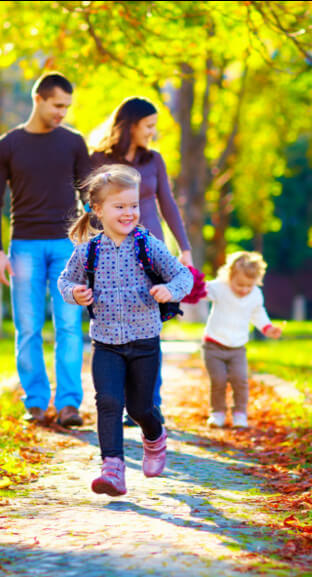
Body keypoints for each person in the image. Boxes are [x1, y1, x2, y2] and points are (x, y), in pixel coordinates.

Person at [58, 165, 193, 496]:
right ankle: (113, 468)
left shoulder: (148, 245)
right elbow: (65, 280)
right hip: (106, 343)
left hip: (144, 341)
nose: (129, 212)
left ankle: (154, 435)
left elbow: (183, 276)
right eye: (120, 206)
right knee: (107, 401)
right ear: (98, 210)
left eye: (133, 205)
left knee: (140, 408)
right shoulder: (87, 251)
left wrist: (170, 291)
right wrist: (75, 293)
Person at [0, 72, 90, 428]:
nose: (63, 113)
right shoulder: (7, 145)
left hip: (67, 248)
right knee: (27, 327)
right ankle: (37, 402)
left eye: (67, 107)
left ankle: (70, 404)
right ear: (39, 99)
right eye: (58, 105)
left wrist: (91, 242)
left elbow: (88, 195)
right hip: (23, 247)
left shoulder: (73, 143)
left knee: (70, 326)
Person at [89, 97, 194, 425]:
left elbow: (168, 203)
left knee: (149, 331)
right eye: (148, 125)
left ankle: (149, 405)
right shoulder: (100, 160)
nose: (153, 132)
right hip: (113, 254)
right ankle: (120, 403)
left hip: (152, 254)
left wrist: (184, 248)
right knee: (116, 330)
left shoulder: (154, 160)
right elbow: (90, 207)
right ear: (130, 124)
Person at [201, 251, 283, 429]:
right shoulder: (219, 288)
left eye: (249, 285)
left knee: (240, 380)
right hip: (213, 345)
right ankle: (218, 412)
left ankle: (240, 413)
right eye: (239, 284)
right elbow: (200, 291)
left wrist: (268, 328)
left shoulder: (255, 295)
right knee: (219, 380)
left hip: (237, 348)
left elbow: (259, 314)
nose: (244, 289)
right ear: (229, 276)